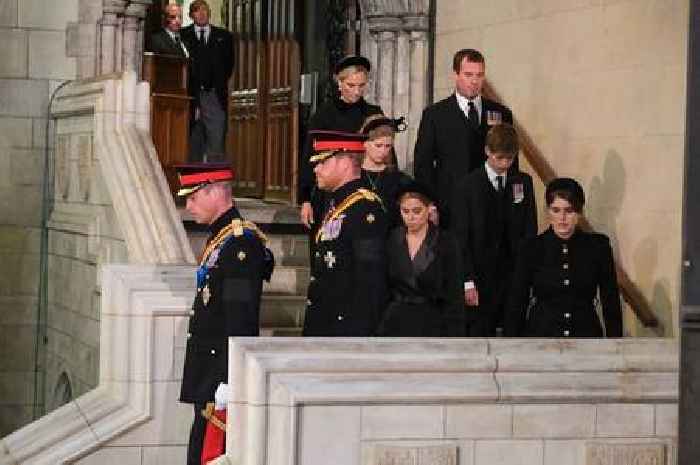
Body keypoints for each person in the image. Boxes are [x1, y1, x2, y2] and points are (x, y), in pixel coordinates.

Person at [176, 163, 273, 465]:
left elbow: (240, 318)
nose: (188, 206)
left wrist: (229, 379)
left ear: (215, 192)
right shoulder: (221, 238)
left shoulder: (239, 243)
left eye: (193, 197)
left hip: (219, 375)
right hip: (208, 372)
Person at [505, 177, 623, 338]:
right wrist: (511, 347)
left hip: (585, 337)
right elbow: (517, 303)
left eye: (569, 211)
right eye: (556, 210)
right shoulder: (531, 248)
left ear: (580, 212)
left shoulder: (598, 247)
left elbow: (611, 302)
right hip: (541, 337)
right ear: (548, 211)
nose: (562, 218)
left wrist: (615, 345)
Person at [413, 48, 513, 229]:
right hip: (450, 210)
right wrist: (429, 204)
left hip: (491, 210)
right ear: (456, 75)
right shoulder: (435, 115)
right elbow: (423, 165)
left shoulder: (501, 113)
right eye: (468, 74)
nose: (474, 81)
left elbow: (511, 163)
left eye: (479, 75)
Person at [453, 124, 537, 336]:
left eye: (509, 159)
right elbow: (461, 239)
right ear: (487, 151)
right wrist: (467, 281)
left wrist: (527, 275)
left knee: (514, 334)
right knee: (480, 335)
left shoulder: (522, 182)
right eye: (500, 158)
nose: (505, 164)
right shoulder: (467, 187)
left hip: (513, 276)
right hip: (480, 277)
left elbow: (529, 229)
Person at [302, 130, 388, 336]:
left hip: (346, 331)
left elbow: (370, 283)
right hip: (325, 324)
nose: (316, 169)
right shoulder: (337, 204)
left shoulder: (364, 210)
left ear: (345, 162)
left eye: (323, 162)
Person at [298, 56, 383, 232]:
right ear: (339, 83)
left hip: (364, 190)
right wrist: (305, 199)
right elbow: (309, 158)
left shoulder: (373, 114)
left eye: (361, 86)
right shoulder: (323, 116)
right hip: (328, 195)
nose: (357, 92)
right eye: (351, 86)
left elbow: (386, 157)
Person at [378, 181, 464, 337]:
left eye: (417, 211)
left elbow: (455, 291)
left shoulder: (445, 241)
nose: (410, 217)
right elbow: (383, 284)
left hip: (432, 323)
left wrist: (455, 334)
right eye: (405, 211)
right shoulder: (393, 238)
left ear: (429, 209)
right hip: (395, 323)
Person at [180, 0, 234, 162]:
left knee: (216, 142)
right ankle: (194, 183)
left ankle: (214, 183)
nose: (202, 13)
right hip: (190, 97)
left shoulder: (223, 36)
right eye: (197, 10)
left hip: (214, 95)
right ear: (191, 15)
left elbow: (229, 64)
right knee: (192, 142)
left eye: (205, 10)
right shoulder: (183, 35)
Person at [359, 114, 413, 228]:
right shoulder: (351, 176)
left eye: (388, 146)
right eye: (378, 145)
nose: (383, 151)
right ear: (365, 143)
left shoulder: (401, 181)